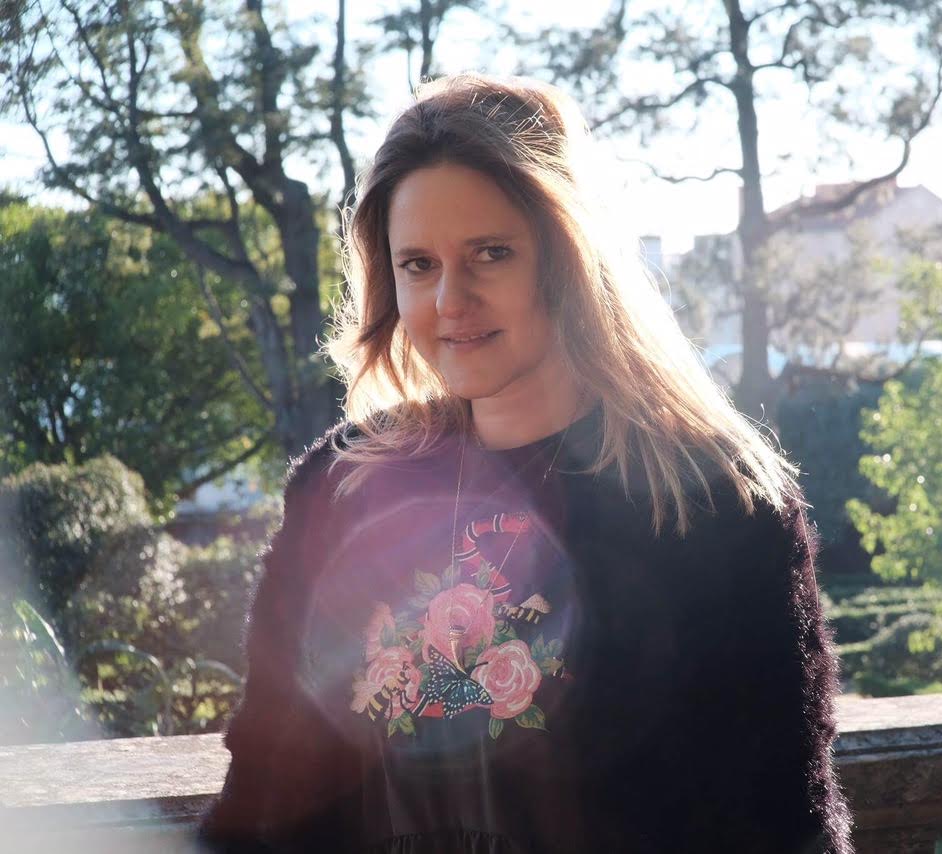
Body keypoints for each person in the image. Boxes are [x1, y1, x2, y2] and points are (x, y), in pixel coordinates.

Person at [196, 72, 852, 854]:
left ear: (569, 261)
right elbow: (264, 794)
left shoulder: (711, 500)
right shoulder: (342, 488)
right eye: (418, 264)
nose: (450, 300)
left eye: (491, 253)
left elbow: (781, 826)